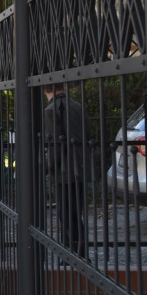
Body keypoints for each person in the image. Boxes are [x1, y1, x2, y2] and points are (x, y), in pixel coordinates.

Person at [43, 83, 90, 258]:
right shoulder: (78, 106)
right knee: (76, 214)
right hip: (81, 167)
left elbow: (55, 147)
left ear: (45, 90)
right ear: (63, 86)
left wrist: (45, 169)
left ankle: (75, 255)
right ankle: (78, 253)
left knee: (66, 216)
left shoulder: (51, 110)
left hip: (65, 172)